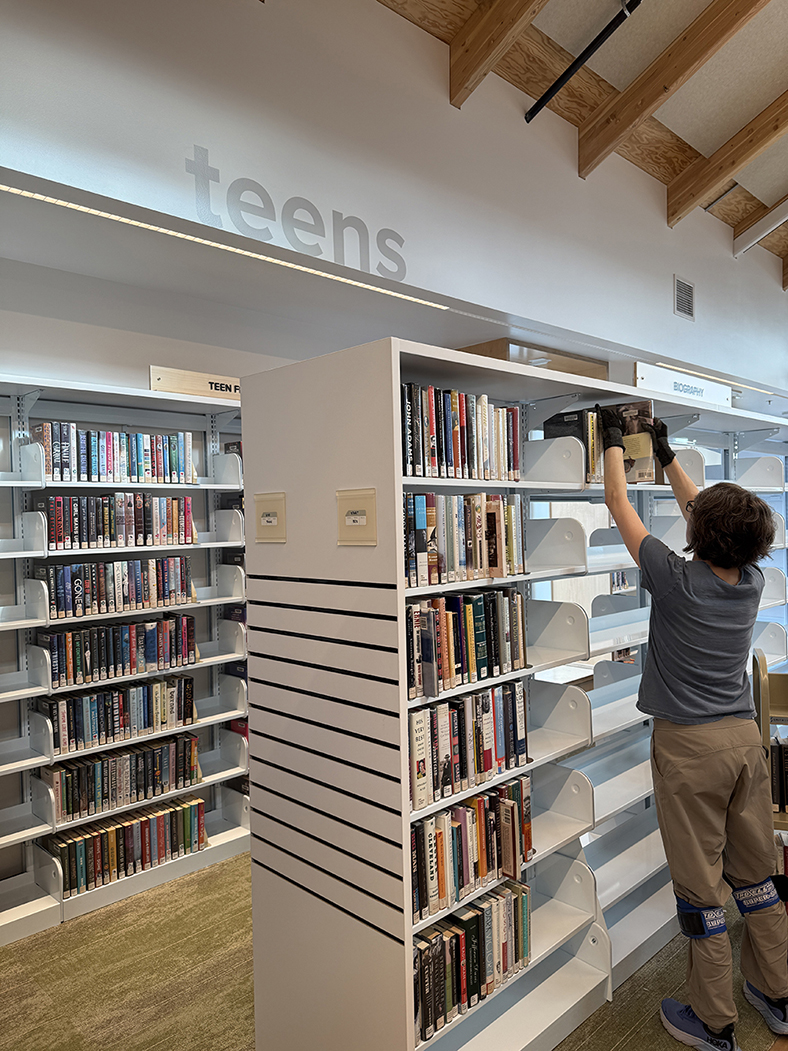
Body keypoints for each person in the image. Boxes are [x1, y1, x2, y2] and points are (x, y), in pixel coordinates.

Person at [596, 404, 788, 1051]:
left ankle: (714, 1023)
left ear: (701, 534)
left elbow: (617, 500)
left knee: (702, 892)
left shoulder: (674, 579)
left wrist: (614, 438)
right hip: (745, 742)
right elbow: (702, 515)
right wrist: (669, 452)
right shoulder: (752, 582)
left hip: (688, 750)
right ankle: (779, 994)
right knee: (758, 874)